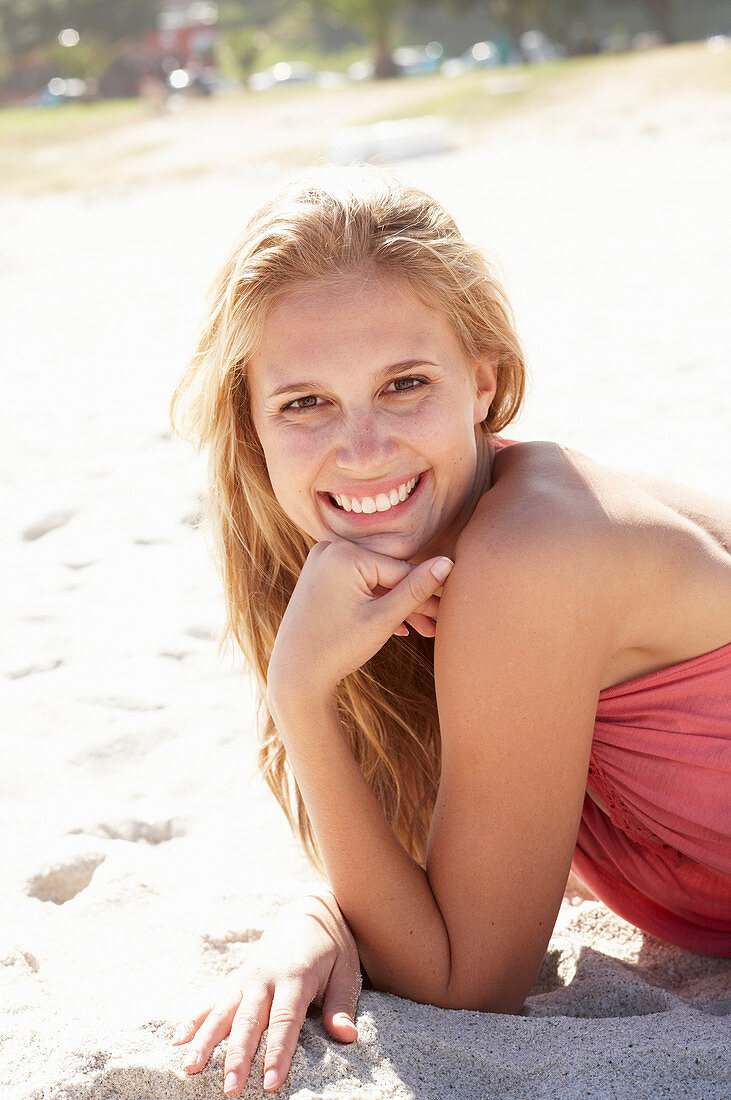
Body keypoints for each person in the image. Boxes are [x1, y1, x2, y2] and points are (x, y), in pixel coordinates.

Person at [169, 165, 731, 1096]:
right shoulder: (424, 565)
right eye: (304, 402)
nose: (361, 448)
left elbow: (468, 984)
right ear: (253, 425)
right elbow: (451, 855)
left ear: (484, 380)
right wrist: (320, 911)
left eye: (404, 384)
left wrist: (300, 694)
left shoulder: (529, 559)